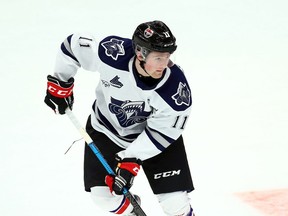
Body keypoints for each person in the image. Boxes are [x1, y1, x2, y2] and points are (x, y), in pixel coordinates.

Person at [44, 20, 195, 216]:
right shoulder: (112, 53)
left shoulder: (176, 91)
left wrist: (131, 159)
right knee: (103, 198)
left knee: (175, 205)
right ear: (140, 53)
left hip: (154, 139)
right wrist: (61, 82)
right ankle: (132, 211)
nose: (164, 64)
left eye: (167, 57)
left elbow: (164, 132)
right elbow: (73, 45)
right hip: (106, 131)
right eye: (158, 58)